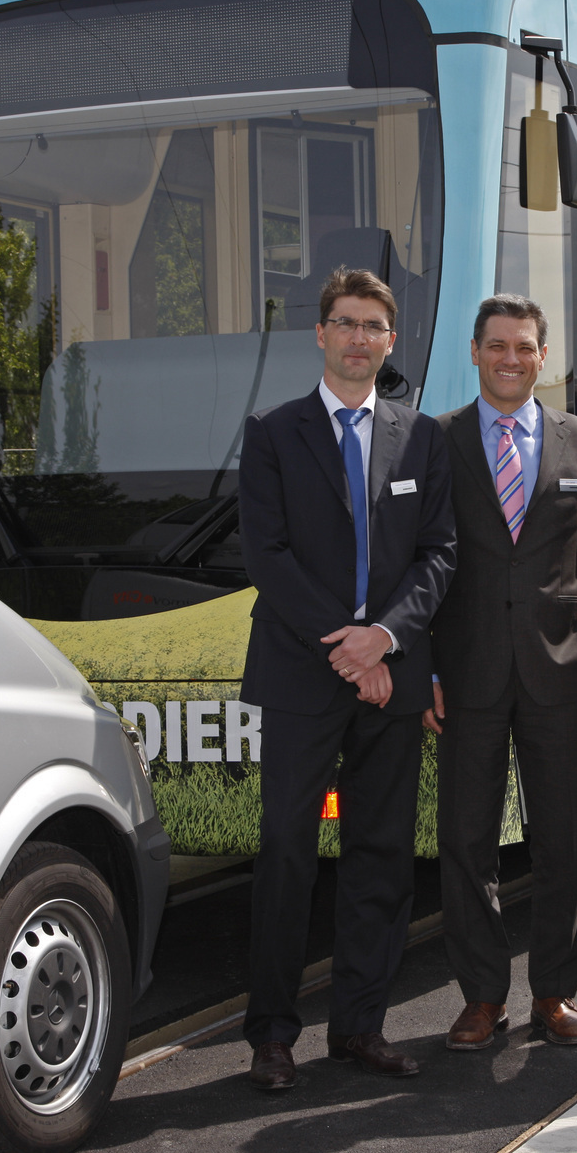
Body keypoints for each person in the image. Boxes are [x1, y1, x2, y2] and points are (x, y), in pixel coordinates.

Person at [237, 268, 456, 1091]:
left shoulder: (420, 436)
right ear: (321, 334)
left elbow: (440, 552)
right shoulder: (272, 430)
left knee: (382, 855)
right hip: (304, 673)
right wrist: (346, 647)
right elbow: (268, 556)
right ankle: (271, 1034)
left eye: (374, 325)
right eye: (345, 323)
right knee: (288, 853)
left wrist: (385, 639)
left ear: (391, 340)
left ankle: (361, 1025)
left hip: (391, 674)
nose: (359, 338)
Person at [428, 295, 577, 1053]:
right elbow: (425, 560)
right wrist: (426, 668)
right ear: (475, 352)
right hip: (466, 672)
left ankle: (554, 990)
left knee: (561, 837)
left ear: (544, 356)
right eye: (497, 344)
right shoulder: (437, 442)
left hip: (559, 670)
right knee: (467, 838)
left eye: (525, 346)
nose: (511, 357)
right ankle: (481, 996)